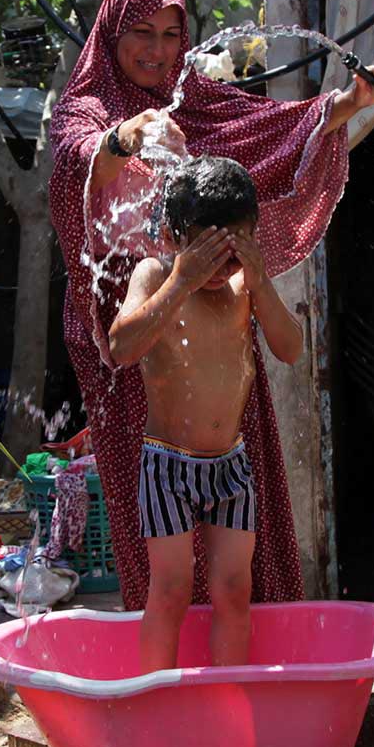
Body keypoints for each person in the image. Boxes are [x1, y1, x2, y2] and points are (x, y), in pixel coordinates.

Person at [46, 0, 374, 622]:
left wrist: (349, 103)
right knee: (164, 564)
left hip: (216, 329)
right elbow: (74, 159)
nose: (156, 51)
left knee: (238, 553)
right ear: (110, 30)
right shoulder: (89, 103)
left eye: (169, 34)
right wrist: (125, 139)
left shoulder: (197, 97)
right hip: (132, 336)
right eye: (140, 34)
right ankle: (170, 680)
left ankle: (248, 670)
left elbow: (267, 133)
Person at [107, 157, 302, 671]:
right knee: (170, 588)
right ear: (174, 239)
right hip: (167, 466)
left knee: (235, 589)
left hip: (230, 467)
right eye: (206, 256)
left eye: (232, 256)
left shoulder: (245, 289)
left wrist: (258, 282)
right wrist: (181, 282)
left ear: (252, 241)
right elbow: (122, 346)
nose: (220, 272)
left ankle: (226, 694)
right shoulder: (154, 276)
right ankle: (154, 698)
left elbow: (291, 349)